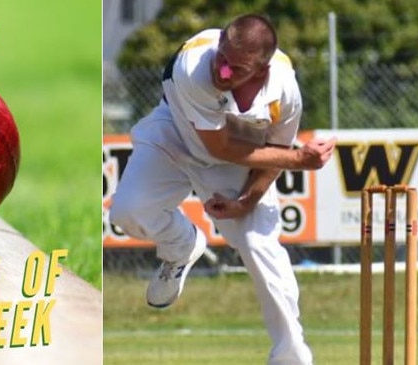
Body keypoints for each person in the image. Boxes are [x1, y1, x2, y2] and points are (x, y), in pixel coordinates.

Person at [109, 13, 336, 365]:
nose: (223, 71)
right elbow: (218, 147)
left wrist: (247, 200)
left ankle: (291, 357)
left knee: (259, 243)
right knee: (128, 211)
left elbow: (274, 154)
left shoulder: (284, 91)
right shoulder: (194, 66)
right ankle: (181, 244)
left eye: (237, 68)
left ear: (260, 71)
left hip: (239, 150)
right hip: (176, 131)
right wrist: (300, 160)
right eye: (223, 57)